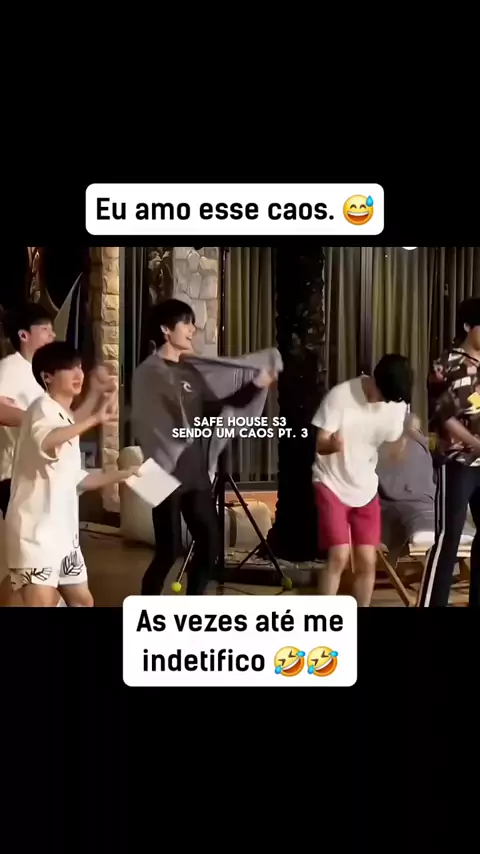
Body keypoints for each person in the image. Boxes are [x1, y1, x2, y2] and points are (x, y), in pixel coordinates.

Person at [132, 299, 276, 596]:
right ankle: (145, 610)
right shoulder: (149, 372)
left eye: (193, 324)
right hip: (158, 470)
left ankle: (192, 609)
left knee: (210, 545)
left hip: (191, 468)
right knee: (168, 551)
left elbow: (217, 407)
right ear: (165, 329)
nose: (192, 329)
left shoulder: (188, 371)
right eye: (186, 323)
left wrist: (257, 383)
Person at [5, 341, 138, 607]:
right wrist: (95, 418)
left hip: (65, 537)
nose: (78, 374)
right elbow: (47, 441)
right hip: (36, 535)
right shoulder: (41, 408)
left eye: (79, 367)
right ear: (47, 377)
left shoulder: (63, 416)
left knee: (82, 602)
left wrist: (124, 474)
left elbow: (78, 479)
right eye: (69, 368)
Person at [311, 354, 416, 606]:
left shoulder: (396, 404)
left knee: (368, 560)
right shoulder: (340, 397)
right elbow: (319, 444)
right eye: (382, 395)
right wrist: (332, 445)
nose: (383, 402)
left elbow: (393, 451)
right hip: (330, 481)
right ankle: (323, 618)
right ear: (375, 380)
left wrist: (406, 437)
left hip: (365, 487)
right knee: (339, 554)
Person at [418, 297, 480, 608]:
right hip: (457, 463)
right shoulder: (445, 365)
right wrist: (474, 442)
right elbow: (441, 415)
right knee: (449, 537)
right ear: (468, 326)